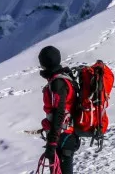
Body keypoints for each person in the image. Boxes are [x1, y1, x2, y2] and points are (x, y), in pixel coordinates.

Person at [39, 46, 81, 174]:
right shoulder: (64, 78)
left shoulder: (57, 83)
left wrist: (52, 142)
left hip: (62, 136)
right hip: (66, 134)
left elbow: (59, 113)